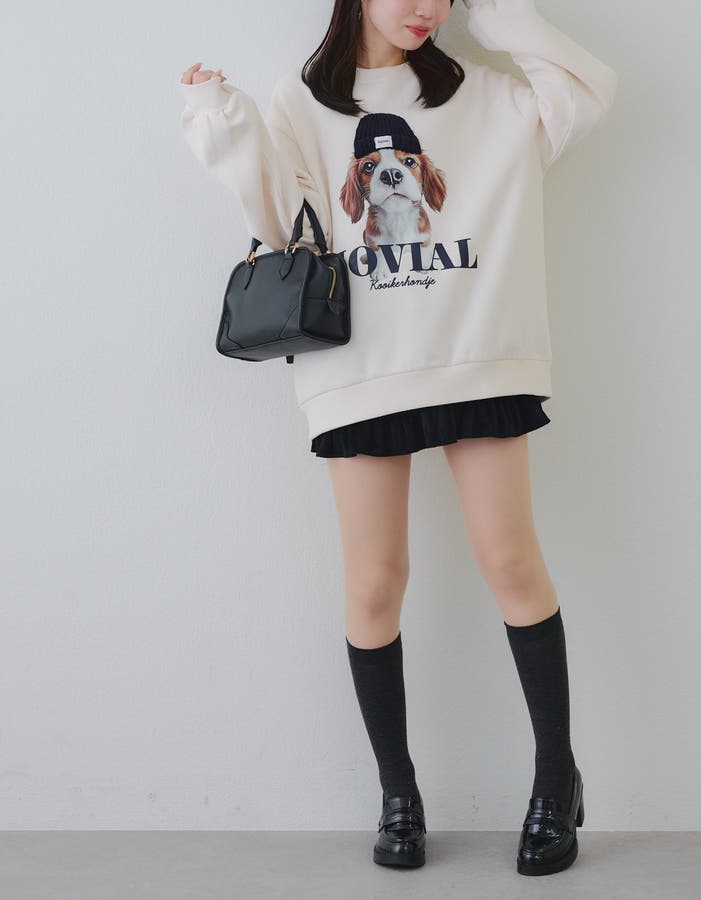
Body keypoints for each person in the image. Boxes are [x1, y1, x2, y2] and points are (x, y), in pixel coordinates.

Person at [178, 0, 617, 877]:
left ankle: (554, 778)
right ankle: (398, 792)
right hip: (363, 368)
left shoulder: (492, 98)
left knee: (511, 563)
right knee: (374, 584)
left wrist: (501, 17)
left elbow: (589, 89)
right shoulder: (302, 101)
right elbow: (280, 223)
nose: (429, 8)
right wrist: (224, 126)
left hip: (479, 356)